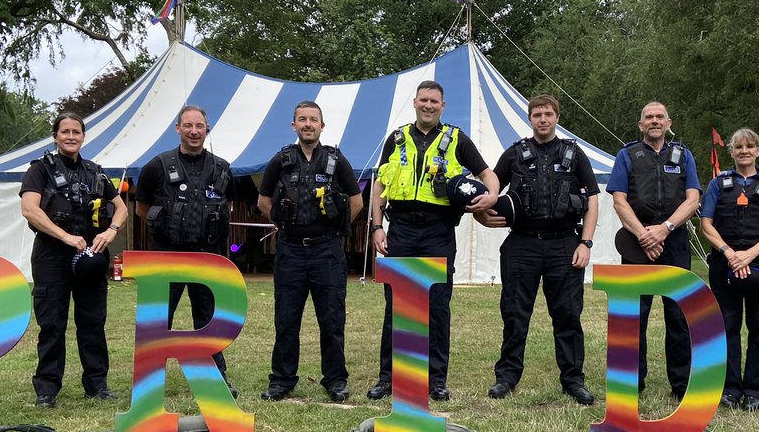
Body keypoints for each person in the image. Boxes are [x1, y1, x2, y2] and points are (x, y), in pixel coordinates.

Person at [367, 80, 498, 401]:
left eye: (434, 101)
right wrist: (376, 226)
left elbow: (487, 173)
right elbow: (379, 185)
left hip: (439, 231)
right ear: (415, 102)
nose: (428, 105)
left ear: (442, 106)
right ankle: (388, 377)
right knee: (396, 304)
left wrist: (492, 195)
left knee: (438, 306)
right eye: (423, 100)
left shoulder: (456, 139)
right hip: (401, 229)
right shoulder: (395, 139)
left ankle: (436, 379)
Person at [478, 95, 599, 405]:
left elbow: (593, 201)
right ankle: (506, 377)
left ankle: (573, 380)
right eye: (537, 114)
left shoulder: (574, 154)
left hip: (564, 243)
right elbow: (489, 188)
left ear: (557, 116)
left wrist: (585, 243)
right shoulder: (515, 154)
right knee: (515, 314)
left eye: (548, 114)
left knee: (568, 315)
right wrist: (481, 214)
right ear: (529, 118)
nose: (543, 119)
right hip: (522, 243)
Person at [20, 112, 128, 408]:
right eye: (65, 131)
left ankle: (97, 384)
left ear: (83, 136)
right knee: (52, 323)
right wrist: (64, 236)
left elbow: (121, 209)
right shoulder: (39, 170)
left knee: (93, 322)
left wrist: (110, 232)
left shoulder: (96, 172)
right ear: (55, 136)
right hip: (51, 255)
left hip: (91, 256)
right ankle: (47, 389)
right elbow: (30, 210)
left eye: (76, 132)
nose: (71, 136)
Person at [257, 101, 363, 402]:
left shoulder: (335, 160)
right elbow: (263, 201)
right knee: (287, 320)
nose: (307, 124)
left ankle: (335, 380)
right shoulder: (281, 160)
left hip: (326, 252)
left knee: (331, 320)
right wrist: (283, 225)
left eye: (313, 120)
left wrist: (337, 229)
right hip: (290, 250)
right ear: (294, 125)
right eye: (301, 119)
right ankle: (282, 380)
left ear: (322, 126)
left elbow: (356, 201)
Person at [134, 104, 238, 395]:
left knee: (209, 320)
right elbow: (143, 209)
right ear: (177, 128)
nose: (194, 131)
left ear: (207, 129)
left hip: (207, 255)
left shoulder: (223, 168)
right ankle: (147, 383)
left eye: (200, 126)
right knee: (157, 320)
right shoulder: (156, 166)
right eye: (188, 126)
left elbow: (226, 206)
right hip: (167, 254)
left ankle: (216, 380)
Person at [606, 101, 702, 397]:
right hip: (637, 239)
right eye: (649, 117)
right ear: (641, 125)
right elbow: (619, 200)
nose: (654, 121)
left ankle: (681, 383)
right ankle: (633, 384)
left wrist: (665, 229)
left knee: (679, 315)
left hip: (673, 240)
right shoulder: (627, 155)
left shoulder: (684, 156)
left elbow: (693, 199)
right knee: (634, 315)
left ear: (668, 122)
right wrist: (644, 235)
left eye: (660, 117)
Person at [698, 128, 759, 411]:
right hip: (724, 263)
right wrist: (729, 253)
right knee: (727, 327)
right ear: (732, 152)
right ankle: (730, 388)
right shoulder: (717, 184)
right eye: (738, 147)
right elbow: (706, 225)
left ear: (758, 151)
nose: (744, 151)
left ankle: (755, 390)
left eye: (750, 146)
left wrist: (749, 255)